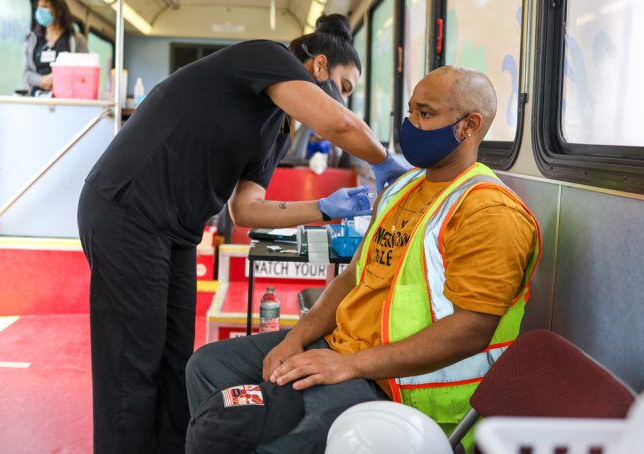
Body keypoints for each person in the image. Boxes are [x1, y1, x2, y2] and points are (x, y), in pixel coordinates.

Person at [77, 13, 409, 454]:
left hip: (176, 231)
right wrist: (388, 164)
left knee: (174, 358)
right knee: (132, 365)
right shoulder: (264, 57)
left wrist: (326, 208)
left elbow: (245, 210)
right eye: (344, 88)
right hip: (128, 209)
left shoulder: (275, 131)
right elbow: (341, 125)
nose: (344, 101)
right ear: (319, 67)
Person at [185, 65, 541, 453]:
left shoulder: (489, 212)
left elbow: (472, 329)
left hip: (399, 382)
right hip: (341, 348)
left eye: (425, 114)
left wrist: (351, 365)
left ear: (469, 126)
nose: (411, 125)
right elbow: (351, 278)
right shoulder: (402, 189)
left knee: (272, 438)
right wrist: (297, 338)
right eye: (410, 112)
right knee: (208, 366)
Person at [23, 0, 88, 96]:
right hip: (37, 97)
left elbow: (84, 72)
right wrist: (41, 80)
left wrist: (57, 77)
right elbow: (26, 74)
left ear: (59, 10)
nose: (40, 11)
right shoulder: (32, 40)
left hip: (66, 99)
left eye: (45, 6)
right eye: (39, 6)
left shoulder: (76, 40)